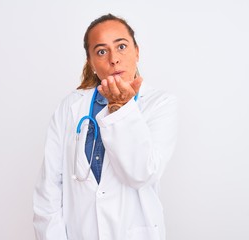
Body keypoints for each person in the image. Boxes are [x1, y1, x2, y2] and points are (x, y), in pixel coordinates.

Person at [33, 13, 178, 240]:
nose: (113, 59)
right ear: (91, 62)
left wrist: (121, 108)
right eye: (101, 51)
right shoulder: (70, 107)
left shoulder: (159, 104)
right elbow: (48, 189)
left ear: (137, 52)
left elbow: (142, 173)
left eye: (121, 46)